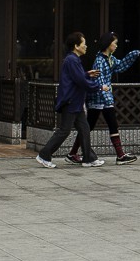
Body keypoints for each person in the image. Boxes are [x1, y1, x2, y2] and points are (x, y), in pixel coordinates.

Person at [66, 32, 140, 165]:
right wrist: (105, 93)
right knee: (90, 127)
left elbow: (121, 66)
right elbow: (99, 81)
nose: (116, 46)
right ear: (108, 44)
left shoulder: (110, 59)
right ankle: (118, 155)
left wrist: (133, 55)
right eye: (115, 43)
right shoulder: (100, 60)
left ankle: (118, 155)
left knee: (97, 126)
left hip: (104, 98)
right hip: (99, 99)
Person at [35, 32, 106, 167]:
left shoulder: (72, 59)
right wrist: (99, 87)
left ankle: (88, 159)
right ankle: (44, 155)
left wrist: (86, 74)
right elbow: (80, 81)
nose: (86, 46)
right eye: (84, 44)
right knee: (64, 130)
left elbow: (77, 77)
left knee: (84, 128)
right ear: (76, 46)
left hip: (75, 101)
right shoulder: (72, 60)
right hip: (71, 101)